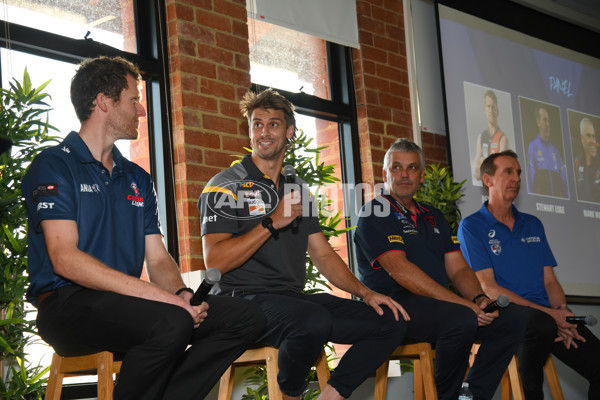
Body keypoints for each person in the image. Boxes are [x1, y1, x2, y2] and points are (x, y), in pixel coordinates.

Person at [22, 56, 266, 400]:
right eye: (134, 99)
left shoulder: (137, 178)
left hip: (127, 305)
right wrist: (164, 300)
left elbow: (157, 256)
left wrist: (181, 294)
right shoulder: (54, 165)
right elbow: (65, 259)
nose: (141, 111)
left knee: (246, 317)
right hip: (66, 306)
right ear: (104, 102)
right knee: (171, 322)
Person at [199, 88, 410, 400]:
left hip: (290, 300)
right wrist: (271, 222)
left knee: (390, 319)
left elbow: (322, 252)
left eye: (273, 124)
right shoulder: (224, 185)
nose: (264, 132)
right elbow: (214, 261)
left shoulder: (297, 188)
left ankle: (332, 396)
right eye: (257, 124)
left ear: (290, 132)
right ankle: (291, 395)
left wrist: (365, 293)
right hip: (244, 301)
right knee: (311, 320)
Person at [353, 138, 525, 400]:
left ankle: (470, 395)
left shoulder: (432, 215)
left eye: (412, 168)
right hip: (394, 307)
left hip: (438, 307)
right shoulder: (375, 212)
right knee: (460, 319)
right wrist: (462, 306)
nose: (404, 175)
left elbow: (458, 270)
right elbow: (400, 271)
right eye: (396, 168)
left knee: (511, 320)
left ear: (421, 176)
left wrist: (478, 299)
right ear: (385, 173)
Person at [458, 150, 600, 400]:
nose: (516, 178)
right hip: (508, 316)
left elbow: (550, 281)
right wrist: (551, 315)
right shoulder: (472, 226)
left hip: (548, 318)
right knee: (540, 324)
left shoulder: (533, 224)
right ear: (488, 180)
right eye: (508, 172)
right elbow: (488, 288)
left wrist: (562, 311)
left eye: (519, 173)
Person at [527, 105, 568, 197]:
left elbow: (564, 181)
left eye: (548, 121)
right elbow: (530, 179)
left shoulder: (555, 151)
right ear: (538, 122)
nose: (548, 124)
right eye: (544, 120)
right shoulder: (533, 147)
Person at [474, 90, 509, 181]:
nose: (491, 110)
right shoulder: (480, 137)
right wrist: (491, 163)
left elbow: (500, 171)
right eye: (488, 107)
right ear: (484, 109)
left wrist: (483, 161)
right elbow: (477, 173)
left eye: (493, 107)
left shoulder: (503, 138)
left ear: (497, 111)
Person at [574, 117, 600, 202]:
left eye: (593, 136)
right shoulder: (577, 163)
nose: (592, 141)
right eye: (588, 136)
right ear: (582, 139)